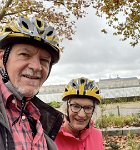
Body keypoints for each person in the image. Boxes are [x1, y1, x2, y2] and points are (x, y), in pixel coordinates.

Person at [0, 16, 64, 149]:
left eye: (44, 60)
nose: (36, 67)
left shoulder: (40, 117)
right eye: (25, 54)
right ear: (2, 59)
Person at [55, 77, 105, 150]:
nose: (82, 115)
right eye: (75, 106)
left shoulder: (97, 135)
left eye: (88, 108)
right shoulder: (51, 137)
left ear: (94, 110)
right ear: (66, 108)